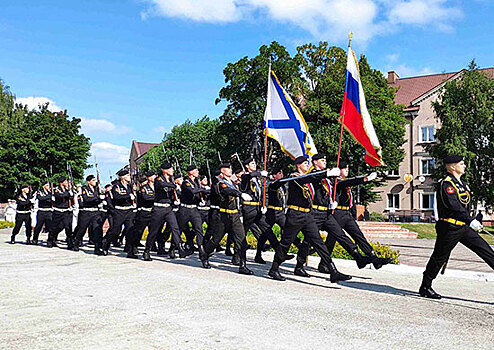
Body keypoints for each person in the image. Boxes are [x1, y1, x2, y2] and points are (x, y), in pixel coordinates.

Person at [419, 155, 494, 299]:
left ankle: (425, 286)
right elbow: (453, 206)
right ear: (453, 166)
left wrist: (474, 218)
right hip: (449, 227)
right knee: (439, 257)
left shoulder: (463, 184)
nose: (464, 165)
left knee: (486, 251)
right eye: (461, 163)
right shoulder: (446, 184)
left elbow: (465, 205)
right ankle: (425, 286)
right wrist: (470, 219)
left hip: (463, 227)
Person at [268, 156, 351, 282]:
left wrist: (327, 176)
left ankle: (333, 271)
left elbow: (314, 179)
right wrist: (326, 173)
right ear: (298, 165)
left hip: (307, 215)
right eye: (304, 163)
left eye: (308, 163)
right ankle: (274, 268)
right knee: (286, 243)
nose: (307, 165)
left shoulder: (307, 179)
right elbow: (309, 177)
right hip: (295, 214)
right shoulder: (295, 177)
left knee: (318, 242)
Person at [297, 154, 372, 277]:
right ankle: (299, 265)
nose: (325, 161)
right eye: (322, 160)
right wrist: (327, 173)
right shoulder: (312, 175)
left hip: (326, 213)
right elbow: (314, 179)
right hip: (314, 212)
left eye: (325, 160)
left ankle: (358, 257)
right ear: (315, 162)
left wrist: (363, 179)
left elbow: (344, 183)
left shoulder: (328, 178)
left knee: (340, 234)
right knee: (309, 240)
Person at [327, 160, 391, 270]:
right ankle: (324, 264)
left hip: (346, 214)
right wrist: (365, 179)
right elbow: (348, 183)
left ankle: (374, 258)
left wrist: (353, 214)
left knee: (358, 235)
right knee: (333, 239)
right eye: (344, 169)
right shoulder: (336, 182)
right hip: (337, 213)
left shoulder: (345, 182)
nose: (347, 170)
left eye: (347, 169)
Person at [202, 163, 254, 275]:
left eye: (230, 168)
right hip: (224, 216)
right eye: (227, 168)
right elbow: (227, 191)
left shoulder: (233, 183)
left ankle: (243, 265)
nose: (230, 170)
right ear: (222, 171)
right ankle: (205, 255)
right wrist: (240, 194)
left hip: (235, 216)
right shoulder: (220, 183)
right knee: (215, 240)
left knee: (242, 241)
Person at [143, 162, 192, 261]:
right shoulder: (158, 179)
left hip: (168, 208)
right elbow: (162, 184)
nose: (172, 171)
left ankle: (179, 248)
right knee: (154, 231)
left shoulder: (171, 180)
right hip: (159, 209)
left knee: (175, 228)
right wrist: (173, 185)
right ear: (165, 170)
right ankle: (147, 250)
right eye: (170, 169)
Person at [239, 157, 278, 264]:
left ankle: (279, 252)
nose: (254, 165)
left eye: (255, 163)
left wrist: (263, 205)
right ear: (247, 166)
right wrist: (260, 173)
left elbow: (261, 193)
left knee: (267, 230)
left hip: (258, 208)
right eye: (252, 163)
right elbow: (248, 176)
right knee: (242, 234)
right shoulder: (245, 176)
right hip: (248, 209)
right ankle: (238, 257)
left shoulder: (258, 180)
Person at [102, 169, 137, 258]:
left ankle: (130, 251)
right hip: (119, 211)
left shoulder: (129, 186)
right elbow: (117, 197)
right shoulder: (116, 186)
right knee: (115, 231)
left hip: (129, 211)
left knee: (130, 231)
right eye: (127, 175)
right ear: (123, 177)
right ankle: (106, 244)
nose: (129, 177)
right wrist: (128, 196)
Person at [179, 165, 209, 267]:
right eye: (195, 170)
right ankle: (176, 247)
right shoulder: (186, 182)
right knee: (181, 228)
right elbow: (192, 191)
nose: (197, 172)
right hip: (184, 209)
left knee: (199, 229)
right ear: (190, 172)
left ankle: (202, 254)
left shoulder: (197, 182)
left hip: (194, 209)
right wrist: (203, 190)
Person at [73, 175, 104, 254]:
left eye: (95, 180)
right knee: (82, 229)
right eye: (93, 180)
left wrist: (101, 200)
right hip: (86, 212)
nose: (95, 182)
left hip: (95, 212)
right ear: (88, 181)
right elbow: (87, 199)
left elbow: (97, 200)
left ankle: (97, 248)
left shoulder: (96, 189)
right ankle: (76, 243)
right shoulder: (84, 189)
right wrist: (97, 198)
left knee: (97, 230)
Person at [47, 177, 74, 249]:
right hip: (58, 211)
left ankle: (70, 243)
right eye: (65, 181)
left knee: (68, 227)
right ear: (61, 182)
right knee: (54, 227)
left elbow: (71, 196)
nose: (67, 183)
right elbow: (60, 196)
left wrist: (70, 192)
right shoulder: (56, 189)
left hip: (66, 211)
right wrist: (68, 193)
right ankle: (50, 240)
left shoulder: (67, 190)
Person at [133, 172, 156, 254]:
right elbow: (146, 197)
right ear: (149, 178)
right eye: (153, 176)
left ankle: (152, 246)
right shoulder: (144, 188)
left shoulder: (157, 187)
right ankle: (135, 246)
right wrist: (156, 198)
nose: (155, 177)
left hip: (153, 212)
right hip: (144, 212)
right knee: (140, 231)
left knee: (153, 230)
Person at [32, 181, 53, 245]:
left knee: (50, 227)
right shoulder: (39, 192)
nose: (48, 187)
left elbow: (52, 200)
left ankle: (49, 241)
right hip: (41, 211)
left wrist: (48, 197)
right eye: (47, 185)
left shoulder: (51, 192)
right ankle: (35, 239)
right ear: (43, 186)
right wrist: (48, 197)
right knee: (38, 226)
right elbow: (40, 198)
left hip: (49, 211)